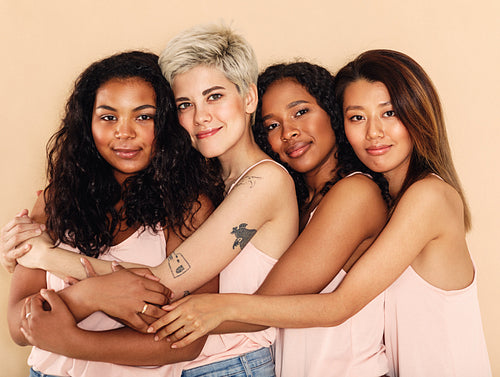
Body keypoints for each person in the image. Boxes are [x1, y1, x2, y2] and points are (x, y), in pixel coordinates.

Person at [142, 50, 492, 377]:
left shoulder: (424, 195)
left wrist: (216, 307)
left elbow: (338, 306)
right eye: (358, 117)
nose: (374, 131)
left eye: (389, 112)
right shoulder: (351, 201)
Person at [3, 24, 298, 377]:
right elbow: (20, 320)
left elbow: (160, 286)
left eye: (215, 96)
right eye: (186, 104)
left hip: (227, 362)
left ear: (249, 98)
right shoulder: (207, 174)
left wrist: (49, 258)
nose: (201, 116)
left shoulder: (257, 183)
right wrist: (26, 257)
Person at [147, 62, 391, 377]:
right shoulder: (305, 200)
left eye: (301, 112)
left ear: (332, 113)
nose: (288, 132)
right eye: (272, 125)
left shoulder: (356, 193)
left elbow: (269, 306)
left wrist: (200, 309)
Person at [5, 51, 224, 377]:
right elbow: (17, 327)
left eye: (143, 117)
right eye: (109, 117)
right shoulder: (55, 200)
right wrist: (89, 296)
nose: (124, 132)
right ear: (87, 124)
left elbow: (186, 340)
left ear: (165, 125)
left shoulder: (188, 207)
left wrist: (73, 339)